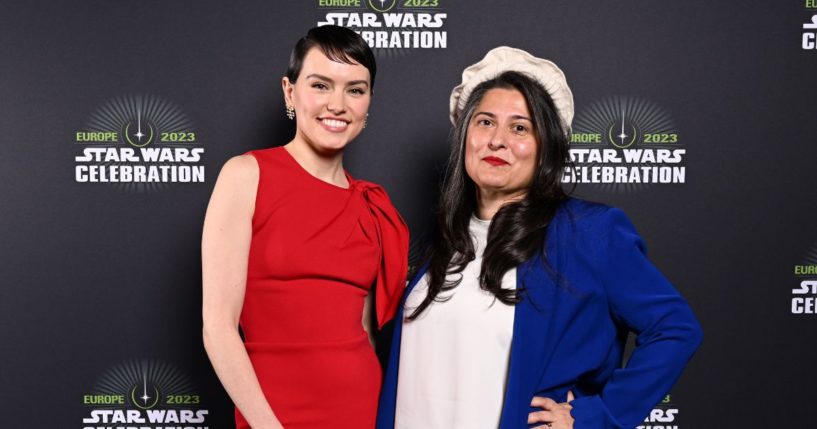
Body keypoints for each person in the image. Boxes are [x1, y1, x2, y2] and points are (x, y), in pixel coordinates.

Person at [376, 47, 702, 429]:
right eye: (484, 122)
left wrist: (596, 416)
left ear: (546, 147)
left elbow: (675, 326)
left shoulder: (590, 232)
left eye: (519, 128)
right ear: (465, 136)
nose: (497, 141)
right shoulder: (446, 242)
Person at [202, 25, 408, 429]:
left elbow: (365, 335)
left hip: (359, 409)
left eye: (355, 89)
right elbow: (218, 327)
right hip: (271, 413)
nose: (338, 104)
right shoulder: (247, 175)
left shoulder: (371, 205)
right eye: (320, 85)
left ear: (368, 103)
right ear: (289, 91)